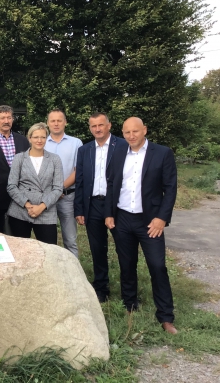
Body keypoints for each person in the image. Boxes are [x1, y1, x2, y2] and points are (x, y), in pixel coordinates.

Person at [105, 117, 178, 334]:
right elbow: (111, 183)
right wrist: (109, 213)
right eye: (127, 132)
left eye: (135, 131)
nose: (131, 136)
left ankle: (166, 316)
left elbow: (170, 188)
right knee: (127, 264)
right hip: (123, 218)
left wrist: (162, 218)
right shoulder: (118, 152)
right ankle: (129, 304)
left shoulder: (162, 153)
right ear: (123, 133)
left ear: (144, 130)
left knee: (157, 265)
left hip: (150, 221)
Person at [74, 113, 128, 302]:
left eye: (101, 125)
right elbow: (80, 180)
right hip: (93, 204)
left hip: (118, 204)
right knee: (97, 249)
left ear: (109, 125)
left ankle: (128, 293)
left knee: (124, 249)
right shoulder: (85, 150)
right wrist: (79, 208)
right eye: (93, 126)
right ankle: (101, 289)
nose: (97, 129)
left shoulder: (123, 145)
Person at [6, 123, 63, 243]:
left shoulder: (55, 159)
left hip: (46, 211)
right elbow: (11, 186)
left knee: (49, 249)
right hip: (21, 211)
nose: (39, 140)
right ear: (30, 138)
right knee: (20, 249)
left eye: (43, 137)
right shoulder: (19, 158)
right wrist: (28, 205)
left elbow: (58, 188)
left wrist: (41, 207)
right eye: (36, 137)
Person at [0, 105, 29, 233]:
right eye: (2, 118)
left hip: (19, 196)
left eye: (9, 117)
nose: (6, 121)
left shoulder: (23, 140)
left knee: (18, 235)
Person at [44, 109, 83, 257]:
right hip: (46, 198)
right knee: (47, 241)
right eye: (52, 121)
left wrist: (59, 189)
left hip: (67, 197)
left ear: (65, 122)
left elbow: (78, 171)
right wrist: (52, 193)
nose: (56, 124)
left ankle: (73, 270)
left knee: (70, 240)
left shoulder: (76, 143)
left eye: (59, 120)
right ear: (48, 123)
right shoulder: (41, 142)